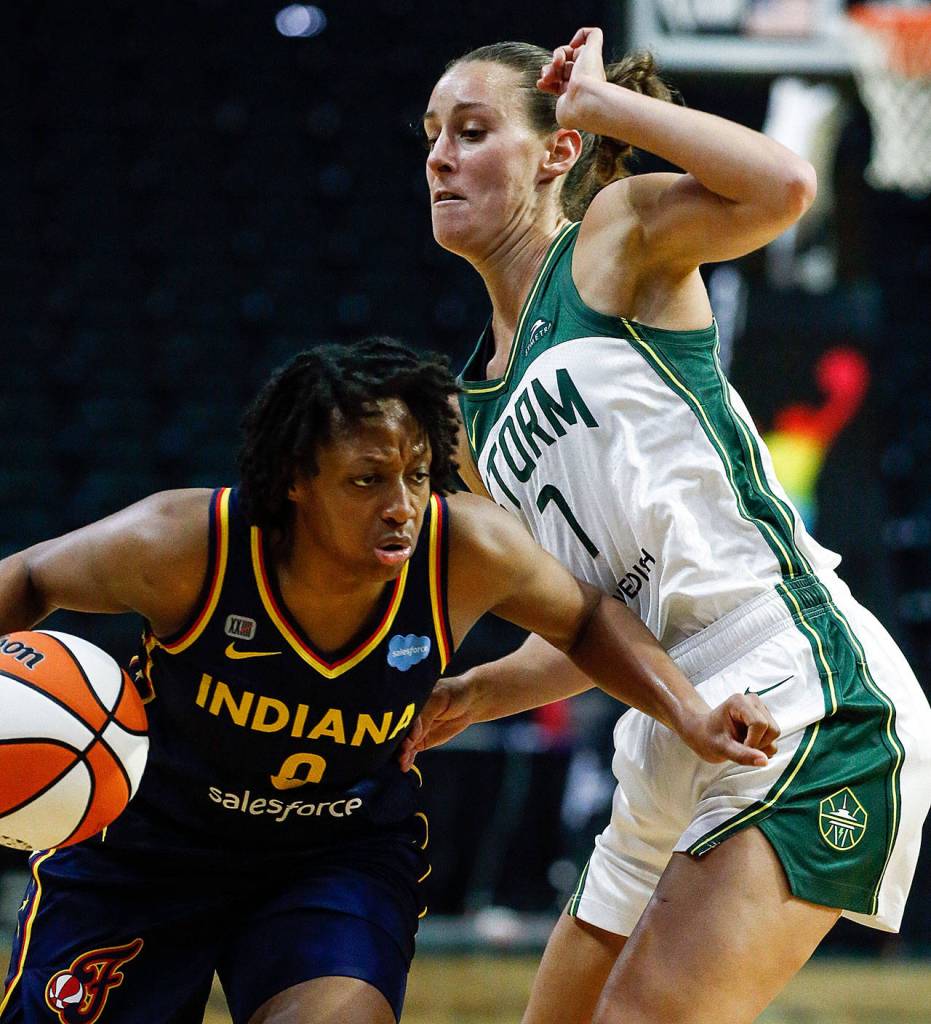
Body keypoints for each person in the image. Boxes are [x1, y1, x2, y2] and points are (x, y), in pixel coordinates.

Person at [0, 337, 776, 1024]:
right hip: (147, 847)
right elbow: (32, 578)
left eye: (416, 473)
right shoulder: (185, 544)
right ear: (295, 478)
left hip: (334, 853)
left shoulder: (463, 548)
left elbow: (585, 619)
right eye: (367, 480)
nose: (401, 506)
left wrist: (689, 713)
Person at [409, 26, 931, 1024]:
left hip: (793, 680)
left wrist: (605, 108)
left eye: (472, 130)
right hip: (664, 720)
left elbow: (780, 186)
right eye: (431, 133)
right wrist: (469, 691)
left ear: (556, 151)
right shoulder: (474, 409)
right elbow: (589, 627)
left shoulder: (611, 237)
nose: (439, 155)